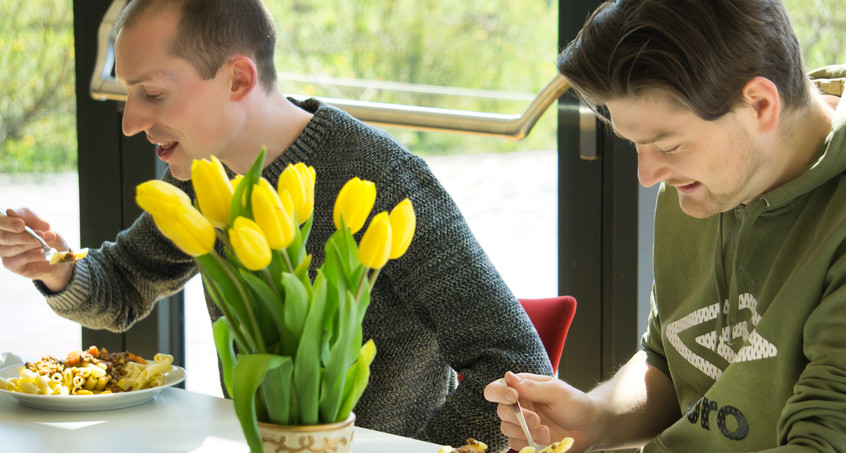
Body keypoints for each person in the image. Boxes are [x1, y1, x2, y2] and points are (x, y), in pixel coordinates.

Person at [0, 0, 552, 449]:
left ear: (238, 78)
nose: (130, 123)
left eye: (154, 93)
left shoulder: (380, 178)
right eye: (127, 94)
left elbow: (515, 363)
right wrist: (55, 268)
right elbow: (121, 286)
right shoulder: (203, 174)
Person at [485, 0, 846, 451]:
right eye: (636, 144)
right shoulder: (697, 188)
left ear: (759, 104)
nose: (647, 175)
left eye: (669, 145)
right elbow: (671, 362)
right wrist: (594, 419)